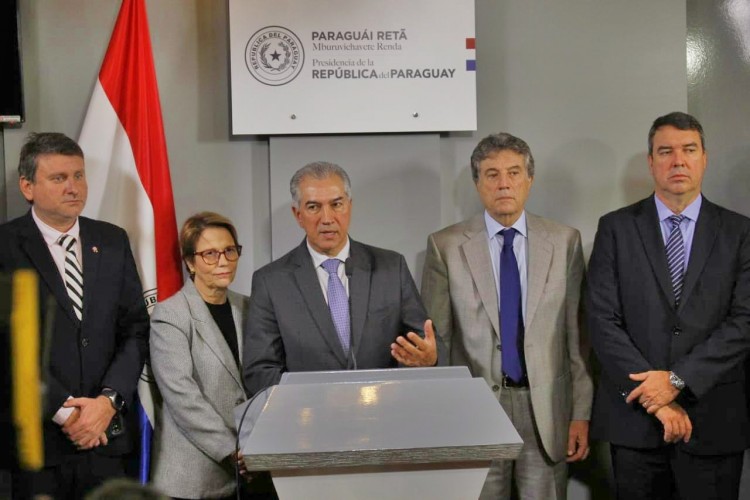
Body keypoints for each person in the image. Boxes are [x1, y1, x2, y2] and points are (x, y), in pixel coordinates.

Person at [421, 133, 593, 500]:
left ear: (529, 179)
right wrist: (441, 418)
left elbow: (577, 339)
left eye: (514, 173)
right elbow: (439, 343)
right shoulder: (445, 246)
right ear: (477, 182)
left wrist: (580, 413)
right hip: (475, 412)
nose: (503, 184)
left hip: (545, 410)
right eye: (492, 174)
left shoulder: (565, 242)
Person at [588, 111, 750, 500]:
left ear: (704, 158)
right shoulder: (615, 228)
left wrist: (677, 380)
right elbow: (601, 320)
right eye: (666, 151)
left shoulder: (740, 232)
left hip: (713, 420)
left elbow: (744, 321)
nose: (678, 161)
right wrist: (655, 398)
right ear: (651, 161)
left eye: (689, 150)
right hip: (636, 423)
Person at [0, 132, 149, 498]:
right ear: (27, 187)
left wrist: (108, 401)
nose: (73, 187)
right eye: (59, 178)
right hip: (38, 446)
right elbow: (6, 346)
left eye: (78, 176)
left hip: (107, 439)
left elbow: (135, 329)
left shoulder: (112, 240)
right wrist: (66, 412)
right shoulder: (5, 246)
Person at [243, 161, 444, 396]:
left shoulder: (391, 267)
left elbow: (424, 343)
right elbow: (259, 372)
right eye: (313, 207)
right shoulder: (271, 282)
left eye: (336, 204)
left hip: (383, 409)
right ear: (298, 215)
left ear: (349, 206)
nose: (327, 218)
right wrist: (321, 398)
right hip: (309, 415)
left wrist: (429, 358)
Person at [149, 212, 274, 499]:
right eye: (210, 254)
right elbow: (182, 396)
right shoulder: (170, 315)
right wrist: (231, 450)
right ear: (190, 262)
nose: (223, 261)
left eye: (230, 250)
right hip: (194, 477)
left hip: (251, 470)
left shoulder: (249, 307)